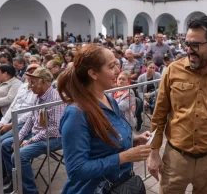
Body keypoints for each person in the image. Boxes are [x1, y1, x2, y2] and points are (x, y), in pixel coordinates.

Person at [148, 16, 207, 193]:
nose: (189, 50)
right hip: (175, 158)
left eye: (195, 45)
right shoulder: (172, 71)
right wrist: (154, 152)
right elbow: (159, 114)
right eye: (187, 44)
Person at [57, 44, 151, 193]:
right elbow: (76, 170)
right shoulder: (76, 113)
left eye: (116, 64)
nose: (117, 71)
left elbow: (103, 144)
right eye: (111, 66)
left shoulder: (108, 99)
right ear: (93, 73)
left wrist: (133, 141)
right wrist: (124, 157)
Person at [2, 67, 65, 193]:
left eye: (32, 82)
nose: (29, 86)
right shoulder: (39, 96)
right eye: (29, 82)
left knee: (19, 155)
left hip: (55, 138)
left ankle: (30, 191)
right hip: (40, 134)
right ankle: (15, 182)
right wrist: (19, 138)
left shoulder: (56, 98)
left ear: (44, 82)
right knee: (5, 145)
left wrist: (30, 140)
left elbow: (54, 129)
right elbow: (31, 119)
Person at [137, 61, 162, 130]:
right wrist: (144, 100)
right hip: (144, 97)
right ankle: (139, 121)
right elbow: (139, 91)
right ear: (146, 68)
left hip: (155, 95)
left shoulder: (158, 75)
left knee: (154, 105)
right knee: (138, 107)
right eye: (150, 67)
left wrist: (150, 94)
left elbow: (160, 88)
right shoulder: (141, 77)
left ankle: (154, 124)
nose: (152, 69)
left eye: (153, 68)